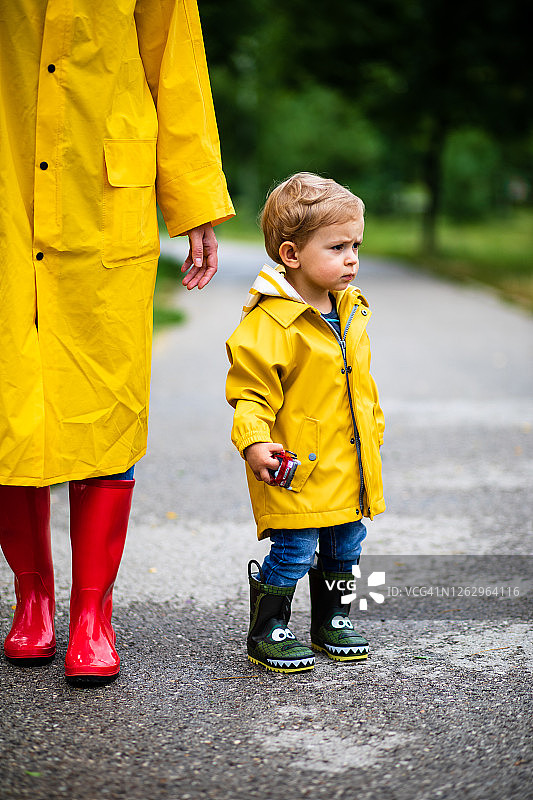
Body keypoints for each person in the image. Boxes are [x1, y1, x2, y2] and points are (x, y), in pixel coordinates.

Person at [0, 0, 234, 685]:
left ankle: (93, 614)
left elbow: (176, 64)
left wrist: (191, 203)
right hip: (8, 180)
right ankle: (33, 598)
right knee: (11, 404)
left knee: (106, 402)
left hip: (104, 194)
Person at [225, 173, 384, 673]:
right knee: (295, 548)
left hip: (348, 462)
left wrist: (374, 432)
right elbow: (250, 394)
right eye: (337, 247)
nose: (352, 258)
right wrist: (254, 442)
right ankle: (269, 626)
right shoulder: (272, 324)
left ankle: (332, 620)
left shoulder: (349, 311)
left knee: (346, 542)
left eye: (355, 244)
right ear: (291, 255)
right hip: (299, 467)